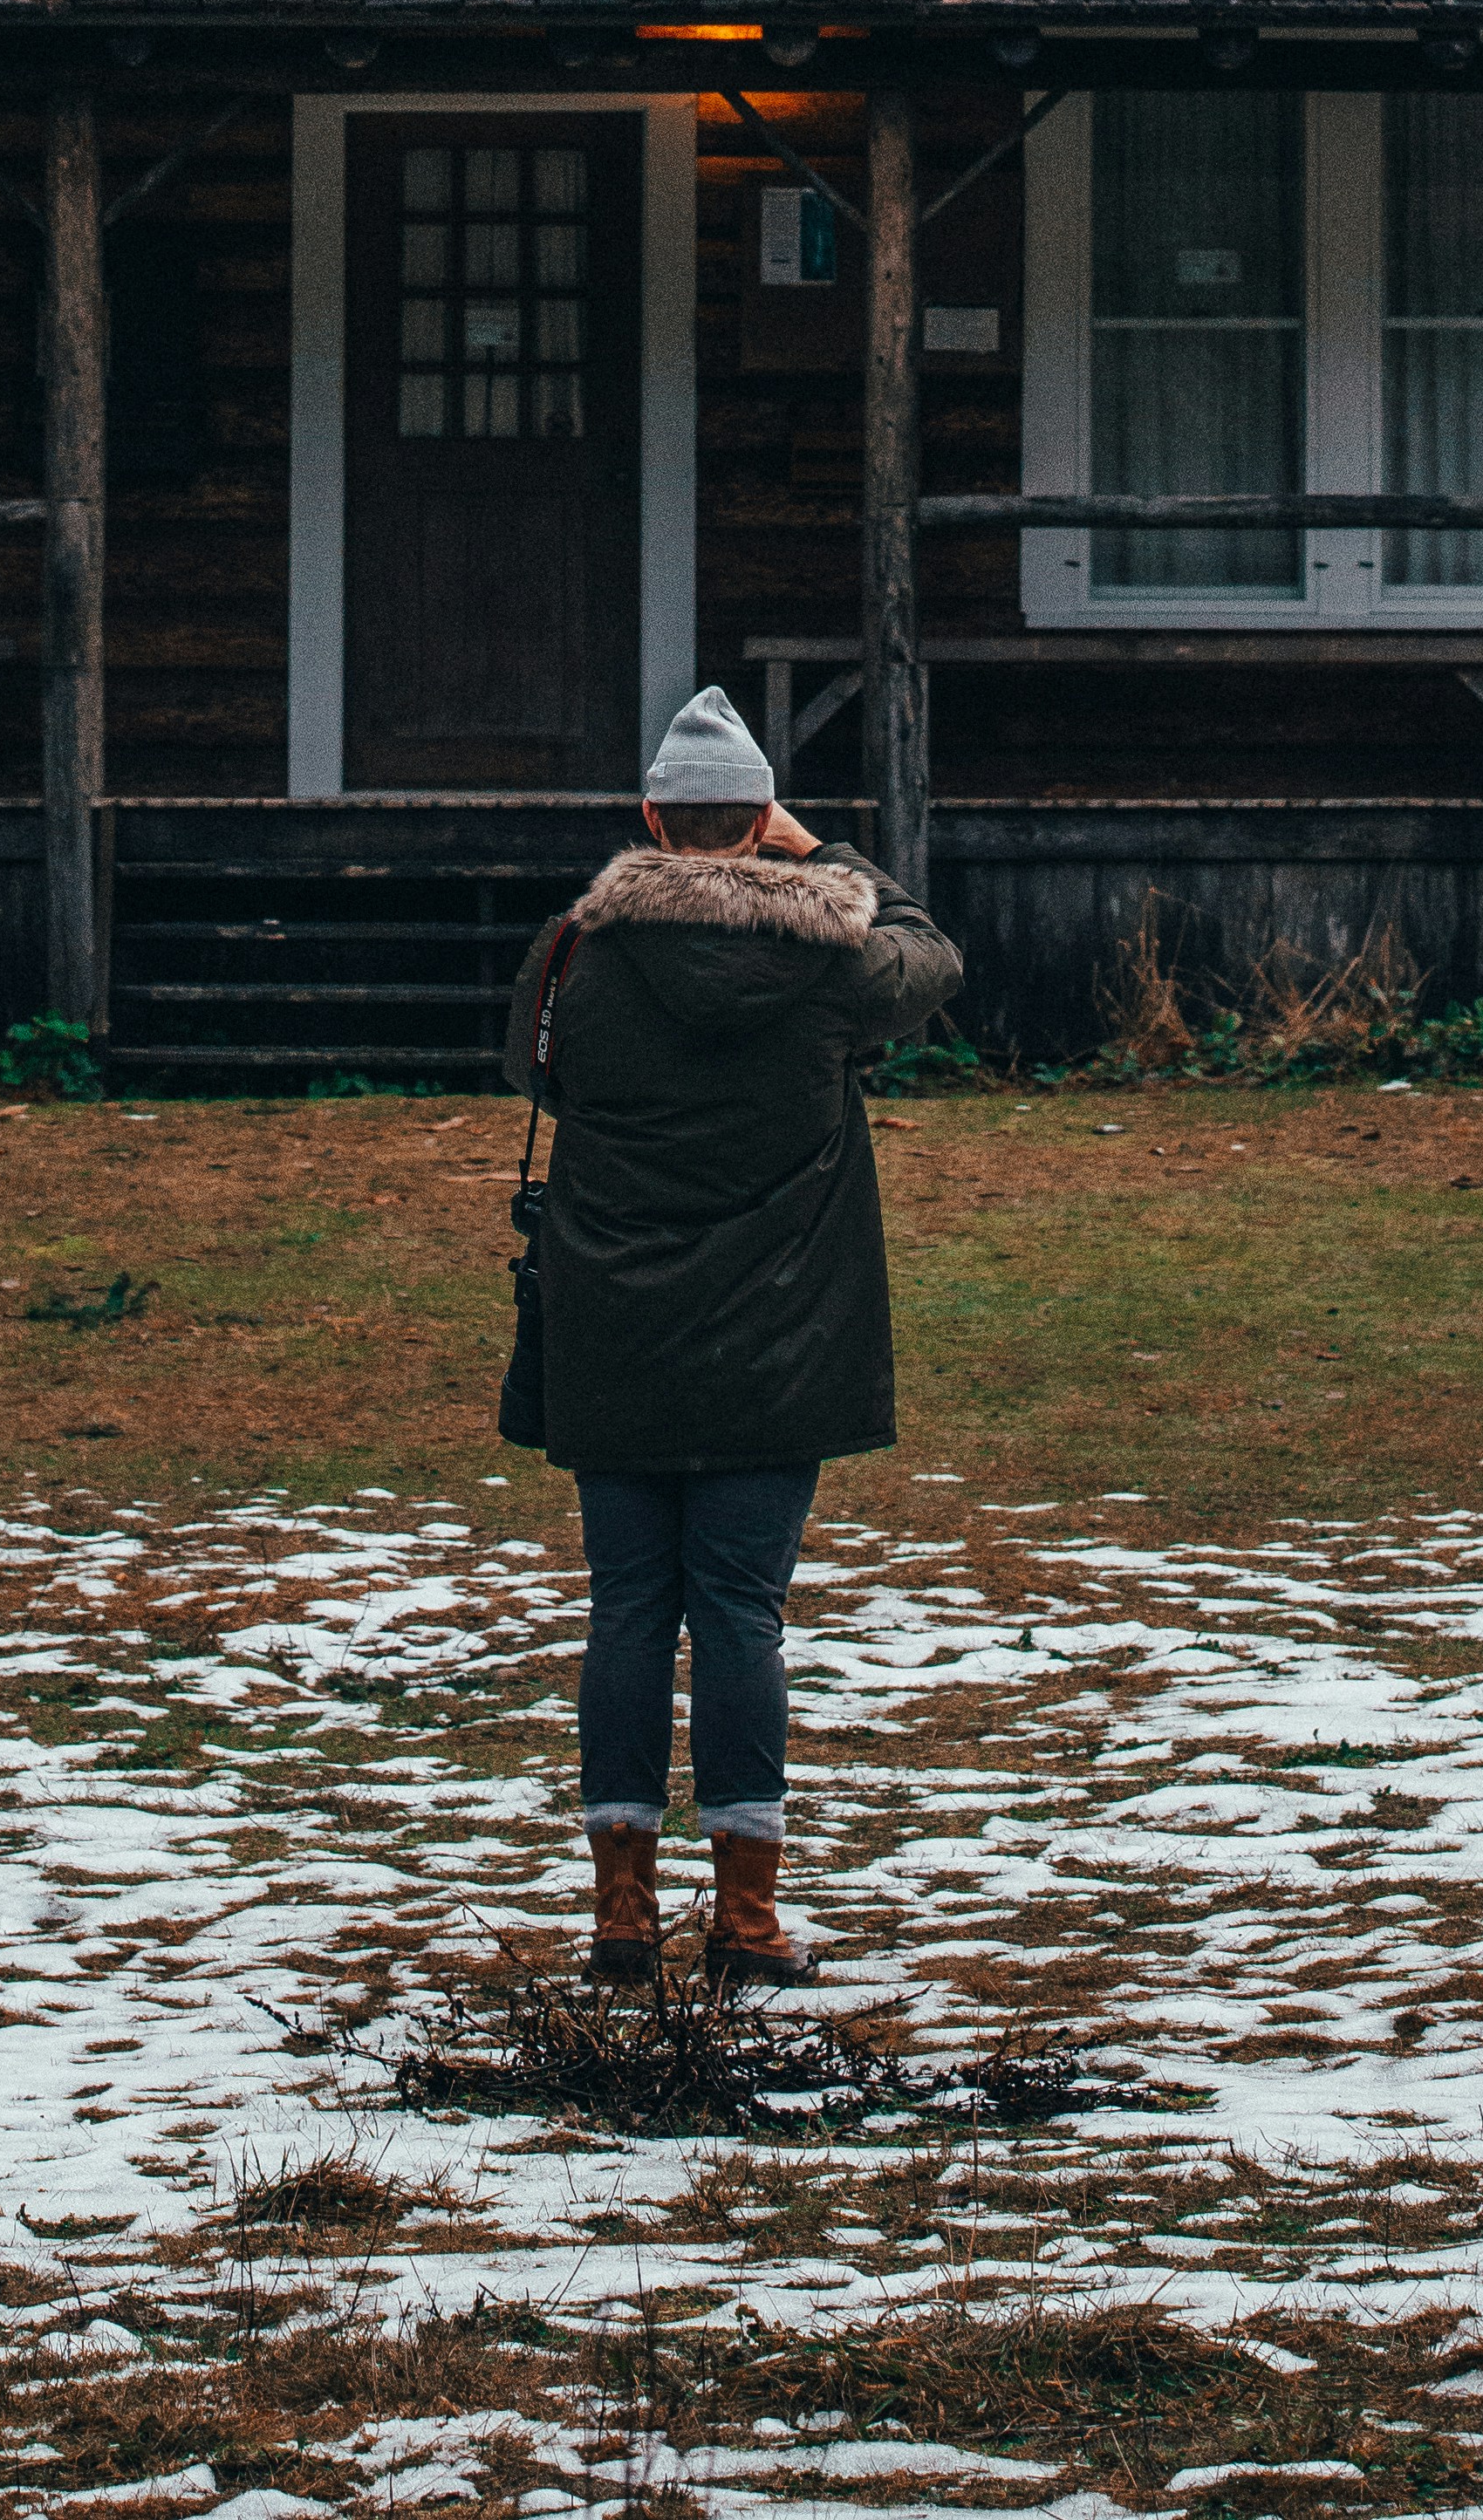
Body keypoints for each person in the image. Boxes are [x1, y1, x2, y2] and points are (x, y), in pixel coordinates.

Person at [501, 679, 966, 1993]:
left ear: (648, 816)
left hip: (614, 1330)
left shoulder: (573, 952)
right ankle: (748, 1917)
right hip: (778, 1338)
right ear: (760, 821)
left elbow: (528, 1071)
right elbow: (932, 952)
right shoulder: (830, 957)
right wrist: (822, 854)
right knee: (743, 1618)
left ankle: (620, 1907)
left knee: (628, 1612)